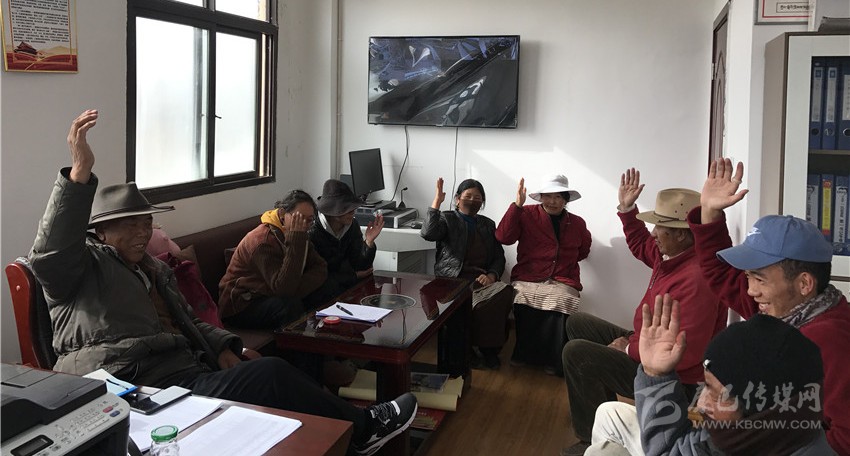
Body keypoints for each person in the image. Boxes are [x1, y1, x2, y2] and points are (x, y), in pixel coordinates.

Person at [29, 109, 416, 455]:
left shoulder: (153, 270)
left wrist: (225, 345)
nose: (142, 232)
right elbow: (48, 255)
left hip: (182, 373)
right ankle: (363, 429)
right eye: (130, 224)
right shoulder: (81, 268)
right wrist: (78, 176)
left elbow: (190, 321)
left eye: (146, 222)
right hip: (128, 383)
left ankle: (341, 431)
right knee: (272, 371)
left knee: (271, 374)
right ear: (100, 232)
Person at [687, 158, 850, 455]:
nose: (751, 291)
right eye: (748, 277)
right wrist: (709, 211)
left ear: (804, 283)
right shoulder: (783, 312)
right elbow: (721, 274)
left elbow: (844, 438)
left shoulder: (830, 341)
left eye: (759, 278)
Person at [561, 170, 723, 456]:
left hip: (674, 377)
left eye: (660, 227)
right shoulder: (672, 255)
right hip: (646, 342)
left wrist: (627, 349)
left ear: (682, 235)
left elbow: (686, 352)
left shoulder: (697, 278)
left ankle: (589, 440)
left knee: (577, 353)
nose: (653, 233)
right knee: (578, 323)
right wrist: (627, 209)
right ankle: (599, 408)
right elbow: (642, 244)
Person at [636, 294, 834, 455]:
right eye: (705, 386)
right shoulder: (736, 437)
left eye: (715, 393)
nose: (701, 404)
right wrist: (656, 374)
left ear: (762, 409)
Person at [495, 174, 592, 375]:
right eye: (548, 196)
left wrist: (564, 264)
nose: (553, 201)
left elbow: (583, 250)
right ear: (541, 197)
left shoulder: (577, 223)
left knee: (562, 298)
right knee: (523, 297)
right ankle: (523, 354)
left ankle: (554, 361)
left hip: (563, 278)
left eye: (558, 197)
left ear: (566, 200)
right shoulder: (526, 214)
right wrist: (517, 206)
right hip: (529, 275)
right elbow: (503, 237)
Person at [420, 177, 513, 369]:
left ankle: (489, 350)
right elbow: (428, 233)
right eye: (468, 196)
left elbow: (499, 257)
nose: (472, 200)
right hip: (452, 279)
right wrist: (436, 202)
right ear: (457, 199)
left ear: (482, 202)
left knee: (503, 294)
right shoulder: (447, 219)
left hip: (481, 279)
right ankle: (465, 350)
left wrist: (491, 275)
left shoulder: (488, 224)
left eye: (477, 198)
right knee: (462, 305)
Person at [218, 189, 328, 329]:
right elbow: (284, 288)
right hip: (242, 303)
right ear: (282, 214)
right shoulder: (263, 241)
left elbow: (321, 267)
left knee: (327, 287)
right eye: (299, 218)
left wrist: (294, 288)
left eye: (310, 220)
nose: (304, 224)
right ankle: (299, 342)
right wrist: (296, 239)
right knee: (289, 306)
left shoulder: (299, 233)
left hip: (271, 292)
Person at [306, 178, 383, 306]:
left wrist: (369, 242)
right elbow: (318, 278)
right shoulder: (312, 232)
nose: (353, 212)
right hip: (321, 294)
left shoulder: (352, 225)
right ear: (332, 211)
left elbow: (362, 268)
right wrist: (353, 276)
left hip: (345, 290)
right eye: (347, 208)